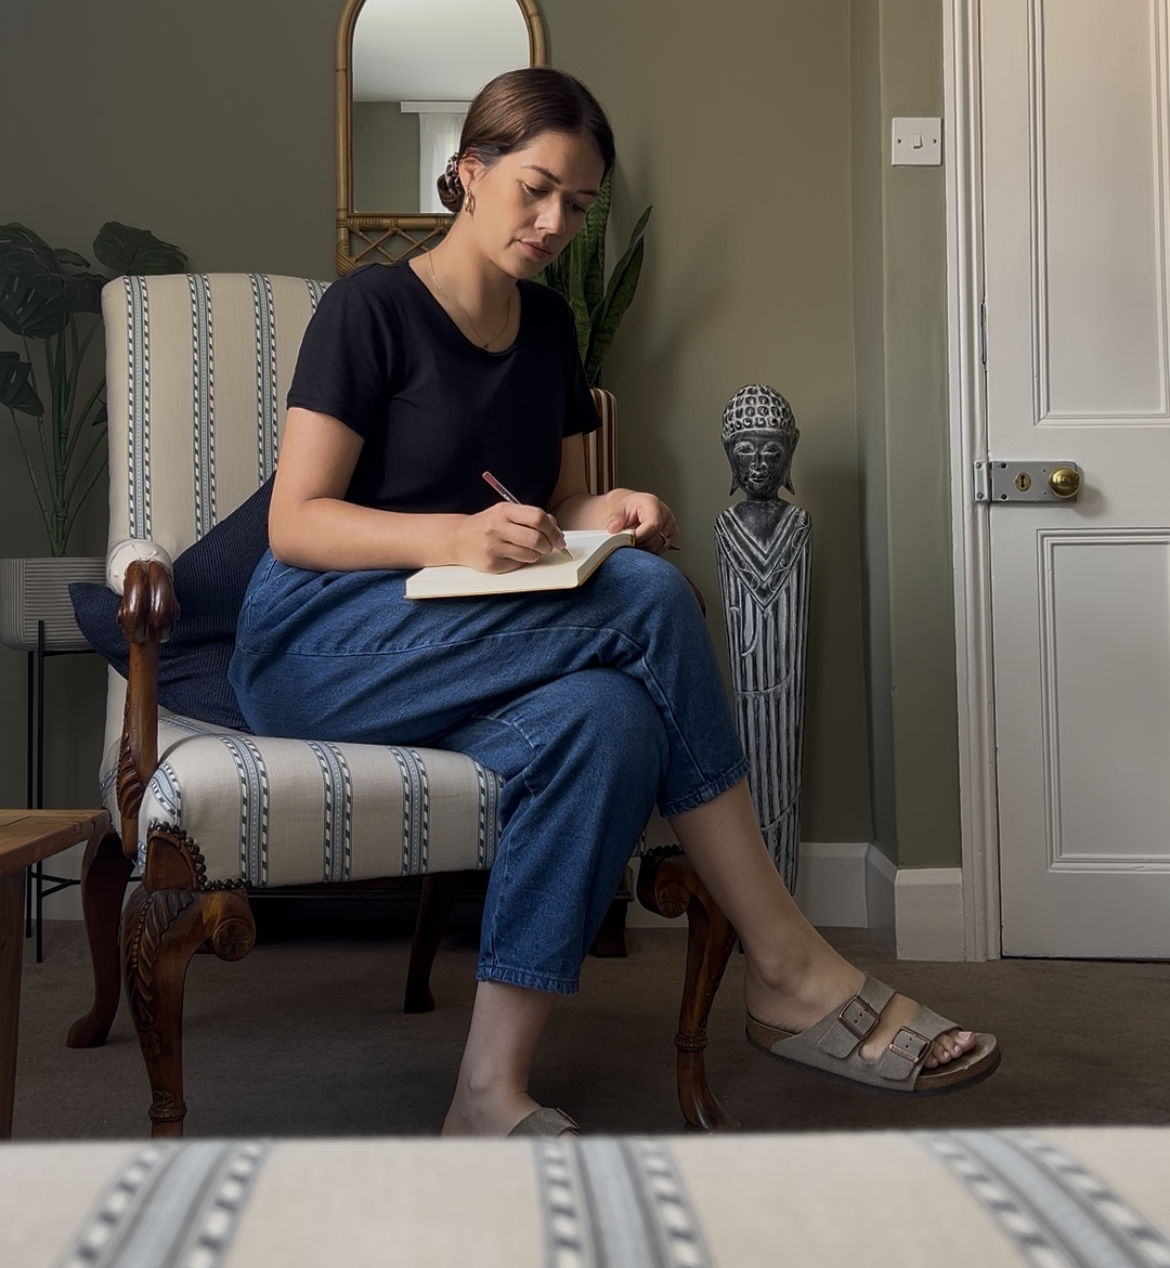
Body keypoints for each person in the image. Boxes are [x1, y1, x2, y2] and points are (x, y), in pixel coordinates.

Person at [229, 68, 998, 1134]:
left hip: (454, 638)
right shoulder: (369, 310)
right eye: (535, 190)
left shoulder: (548, 330)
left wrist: (611, 505)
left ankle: (487, 1094)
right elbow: (296, 522)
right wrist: (453, 535)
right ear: (467, 171)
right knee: (648, 599)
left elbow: (544, 505)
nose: (555, 224)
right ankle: (787, 963)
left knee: (611, 721)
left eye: (579, 207)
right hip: (316, 643)